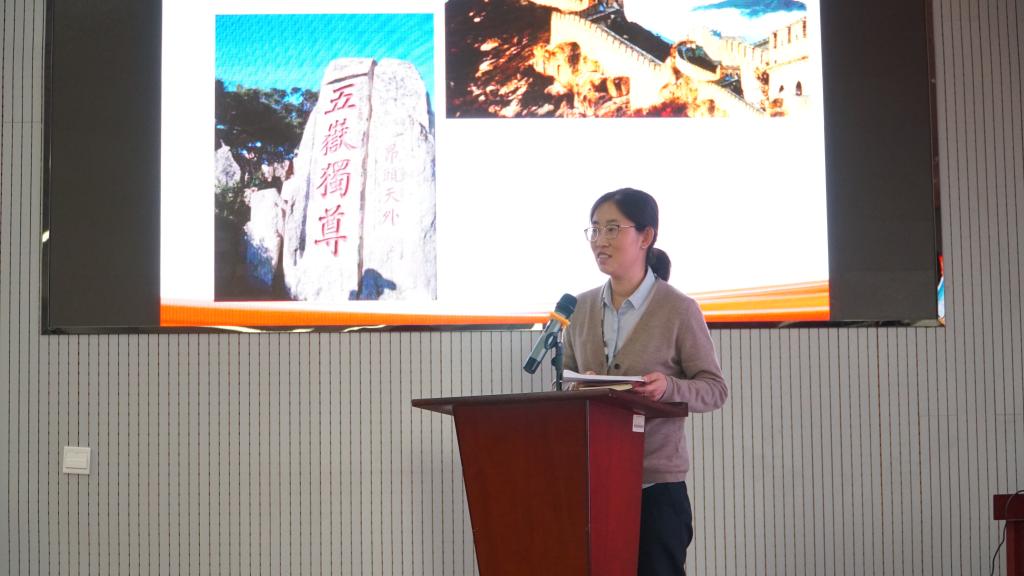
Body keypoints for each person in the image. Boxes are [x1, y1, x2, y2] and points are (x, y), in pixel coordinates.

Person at [563, 187, 728, 576]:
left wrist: (667, 388)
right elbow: (565, 381)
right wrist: (576, 387)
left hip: (655, 489)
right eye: (594, 229)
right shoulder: (580, 307)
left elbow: (714, 389)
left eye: (612, 229)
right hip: (593, 483)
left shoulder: (678, 309)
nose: (600, 240)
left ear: (646, 236)